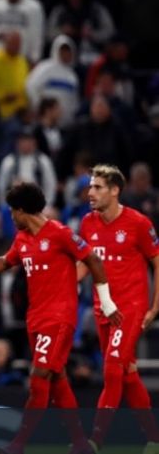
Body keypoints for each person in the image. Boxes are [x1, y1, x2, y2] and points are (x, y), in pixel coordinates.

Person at [0, 182, 120, 454]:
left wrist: (106, 302)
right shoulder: (23, 239)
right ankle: (81, 444)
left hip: (59, 318)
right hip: (35, 318)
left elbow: (93, 259)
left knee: (39, 377)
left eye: (12, 211)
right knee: (57, 377)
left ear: (22, 211)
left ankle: (18, 445)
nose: (10, 217)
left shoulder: (60, 233)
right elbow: (4, 261)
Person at [78, 164, 159, 452]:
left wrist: (155, 306)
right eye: (90, 187)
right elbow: (86, 264)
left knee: (112, 370)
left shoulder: (138, 223)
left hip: (130, 308)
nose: (91, 193)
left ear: (115, 190)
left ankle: (94, 441)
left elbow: (157, 261)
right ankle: (154, 439)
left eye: (97, 187)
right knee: (127, 372)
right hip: (103, 307)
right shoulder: (88, 223)